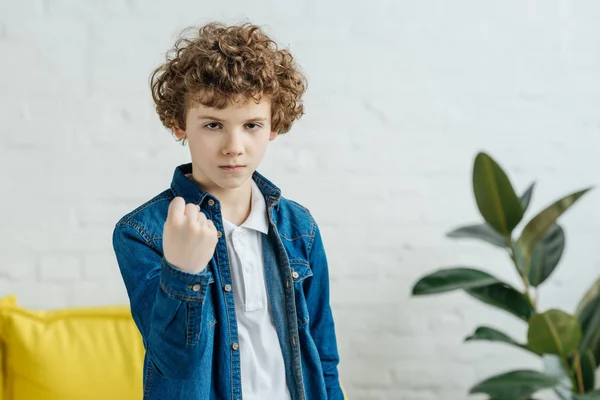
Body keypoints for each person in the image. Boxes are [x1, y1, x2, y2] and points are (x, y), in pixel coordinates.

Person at [112, 21, 344, 400]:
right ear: (179, 124)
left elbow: (323, 355)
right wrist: (183, 271)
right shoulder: (144, 231)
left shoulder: (299, 227)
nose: (234, 146)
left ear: (273, 126)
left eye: (251, 124)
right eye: (213, 125)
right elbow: (175, 362)